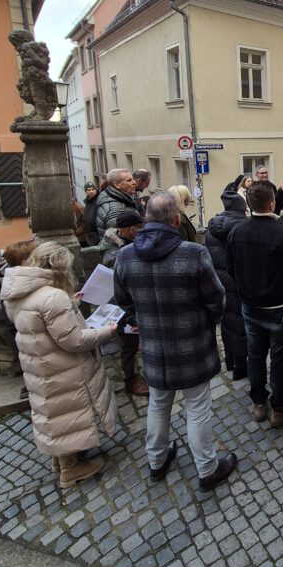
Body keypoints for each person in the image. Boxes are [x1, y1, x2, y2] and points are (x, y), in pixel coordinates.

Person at [114, 192, 237, 491]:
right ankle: (207, 469)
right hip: (192, 343)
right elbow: (216, 298)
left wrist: (143, 322)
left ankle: (156, 461)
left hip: (154, 345)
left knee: (158, 404)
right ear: (176, 219)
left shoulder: (125, 255)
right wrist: (210, 320)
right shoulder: (193, 253)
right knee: (197, 408)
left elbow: (122, 301)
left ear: (145, 219)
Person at [0, 241, 118, 489]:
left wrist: (70, 303)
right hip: (61, 367)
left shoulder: (19, 291)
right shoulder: (52, 297)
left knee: (53, 411)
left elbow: (39, 321)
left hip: (40, 365)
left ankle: (62, 459)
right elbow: (74, 341)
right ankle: (70, 469)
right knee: (66, 411)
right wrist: (107, 332)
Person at [227, 181, 283, 428]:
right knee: (279, 358)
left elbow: (231, 268)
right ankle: (280, 407)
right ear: (272, 203)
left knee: (255, 354)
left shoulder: (237, 232)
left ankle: (259, 402)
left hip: (250, 306)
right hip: (279, 308)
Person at [97, 210, 149, 398]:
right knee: (129, 345)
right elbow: (121, 287)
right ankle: (131, 381)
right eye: (140, 228)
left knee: (133, 343)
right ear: (132, 230)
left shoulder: (117, 245)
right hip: (122, 307)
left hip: (127, 305)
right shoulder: (116, 254)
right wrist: (129, 316)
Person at [206, 182, 249, 381]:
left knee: (227, 322)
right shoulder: (243, 228)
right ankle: (241, 367)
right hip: (240, 281)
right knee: (241, 323)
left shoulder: (212, 227)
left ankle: (230, 361)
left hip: (221, 282)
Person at [95, 169, 142, 238]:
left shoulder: (119, 198)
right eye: (129, 180)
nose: (134, 182)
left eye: (133, 179)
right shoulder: (114, 209)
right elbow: (122, 236)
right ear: (117, 185)